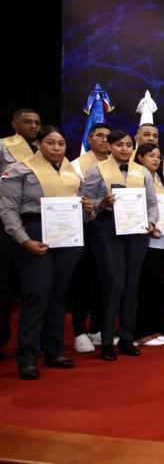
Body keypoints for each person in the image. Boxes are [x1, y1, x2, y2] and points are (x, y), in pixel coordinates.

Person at [0, 125, 92, 379]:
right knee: (37, 294)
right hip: (33, 234)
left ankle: (53, 351)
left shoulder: (71, 173)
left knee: (58, 296)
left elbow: (82, 209)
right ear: (39, 144)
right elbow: (7, 210)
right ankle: (27, 357)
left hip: (68, 237)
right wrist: (24, 240)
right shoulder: (19, 169)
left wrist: (88, 210)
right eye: (50, 143)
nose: (56, 148)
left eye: (61, 143)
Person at [83, 128, 160, 361]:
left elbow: (152, 203)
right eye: (119, 145)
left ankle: (127, 338)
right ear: (109, 146)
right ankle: (107, 341)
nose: (124, 149)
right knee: (114, 283)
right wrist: (101, 204)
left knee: (131, 284)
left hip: (136, 231)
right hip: (107, 230)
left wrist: (151, 222)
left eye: (128, 145)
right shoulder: (96, 169)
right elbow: (85, 202)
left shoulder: (142, 171)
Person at [0, 108, 41, 360]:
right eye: (27, 122)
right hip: (5, 219)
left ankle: (33, 343)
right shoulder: (3, 147)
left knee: (35, 287)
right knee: (3, 286)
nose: (33, 126)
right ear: (14, 124)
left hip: (35, 222)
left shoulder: (44, 149)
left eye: (37, 122)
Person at [69, 123, 112, 353]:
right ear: (90, 139)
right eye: (99, 136)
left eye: (108, 136)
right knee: (82, 282)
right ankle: (79, 331)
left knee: (102, 281)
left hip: (108, 232)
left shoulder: (116, 164)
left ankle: (97, 328)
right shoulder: (77, 164)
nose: (104, 140)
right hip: (83, 230)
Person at [134, 143, 164, 347]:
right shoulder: (137, 179)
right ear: (139, 157)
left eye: (159, 156)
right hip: (148, 240)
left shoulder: (160, 179)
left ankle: (154, 328)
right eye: (151, 155)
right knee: (146, 288)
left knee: (159, 287)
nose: (156, 159)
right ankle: (141, 332)